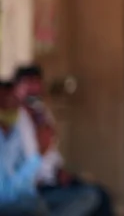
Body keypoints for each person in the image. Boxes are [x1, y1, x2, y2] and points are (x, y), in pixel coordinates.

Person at [13, 66, 115, 216]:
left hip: (53, 180)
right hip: (34, 188)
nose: (33, 88)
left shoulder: (42, 113)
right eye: (28, 83)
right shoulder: (15, 120)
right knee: (89, 197)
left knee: (102, 195)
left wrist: (59, 170)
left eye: (36, 82)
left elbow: (52, 151)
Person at [0, 81, 98, 216]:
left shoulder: (16, 133)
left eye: (14, 102)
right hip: (15, 201)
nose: (11, 107)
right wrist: (39, 155)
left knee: (91, 196)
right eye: (5, 103)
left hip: (37, 192)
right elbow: (6, 193)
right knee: (38, 207)